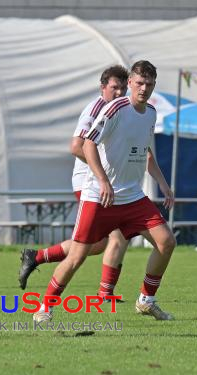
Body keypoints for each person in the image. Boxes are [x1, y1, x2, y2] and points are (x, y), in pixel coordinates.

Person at [33, 60, 176, 323]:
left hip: (132, 196)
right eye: (139, 83)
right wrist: (102, 181)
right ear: (130, 83)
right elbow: (87, 145)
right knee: (78, 255)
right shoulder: (115, 109)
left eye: (150, 84)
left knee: (166, 242)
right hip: (99, 197)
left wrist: (164, 184)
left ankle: (146, 301)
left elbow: (144, 152)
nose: (144, 89)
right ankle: (45, 306)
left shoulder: (152, 113)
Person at [19, 65, 130, 302]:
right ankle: (104, 293)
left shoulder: (121, 110)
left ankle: (37, 256)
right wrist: (103, 175)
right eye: (114, 87)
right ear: (103, 88)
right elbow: (77, 146)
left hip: (104, 181)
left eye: (123, 87)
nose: (119, 92)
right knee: (116, 234)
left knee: (99, 242)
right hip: (90, 182)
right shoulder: (96, 108)